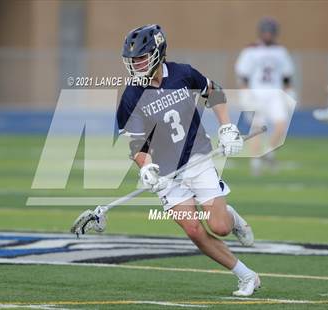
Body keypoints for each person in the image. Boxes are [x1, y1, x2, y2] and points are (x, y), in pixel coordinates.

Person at [117, 24, 260, 296]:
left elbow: (214, 91)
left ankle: (230, 216)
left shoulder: (182, 73)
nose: (136, 65)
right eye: (132, 60)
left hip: (197, 155)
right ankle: (246, 276)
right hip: (167, 171)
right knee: (194, 230)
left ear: (158, 53)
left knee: (220, 227)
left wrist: (227, 127)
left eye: (141, 58)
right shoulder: (131, 95)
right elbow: (136, 143)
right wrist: (146, 168)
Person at [235, 17, 295, 176]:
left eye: (270, 32)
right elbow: (243, 76)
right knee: (257, 128)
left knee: (281, 124)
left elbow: (287, 77)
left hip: (275, 93)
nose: (268, 34)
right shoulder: (250, 50)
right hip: (256, 92)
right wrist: (245, 93)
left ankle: (268, 152)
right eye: (266, 31)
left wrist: (289, 92)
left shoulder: (281, 51)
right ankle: (255, 161)